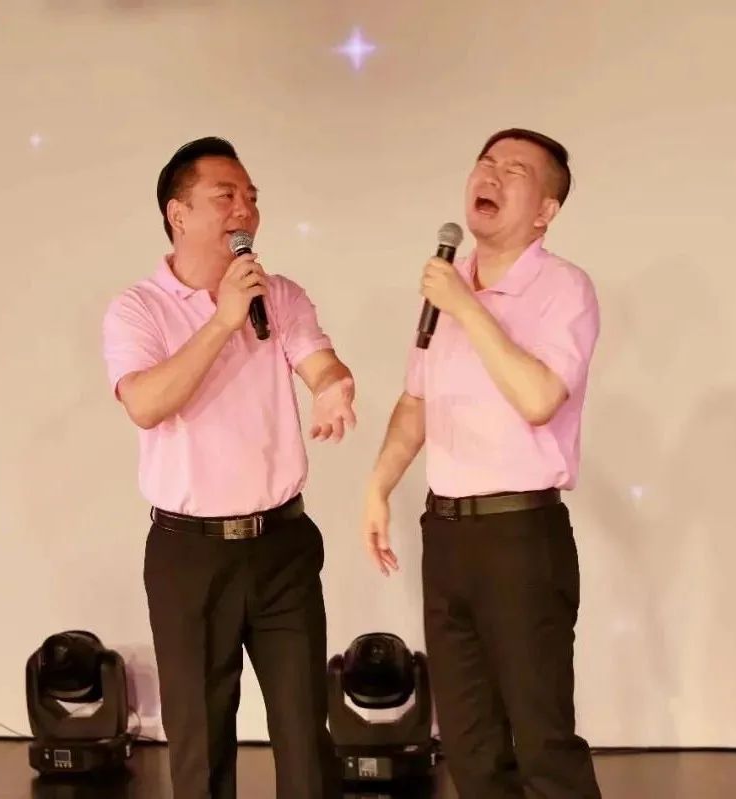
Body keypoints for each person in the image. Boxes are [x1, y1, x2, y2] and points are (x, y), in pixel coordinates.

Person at [102, 136, 354, 799]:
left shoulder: (279, 296)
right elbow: (145, 404)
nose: (245, 209)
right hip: (190, 554)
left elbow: (320, 362)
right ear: (178, 213)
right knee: (201, 743)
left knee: (306, 735)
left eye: (251, 197)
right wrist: (220, 322)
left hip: (282, 545)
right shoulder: (138, 308)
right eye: (226, 196)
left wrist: (333, 385)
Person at [362, 128, 602, 798]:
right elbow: (416, 401)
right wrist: (379, 485)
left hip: (519, 535)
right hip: (445, 534)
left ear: (545, 210)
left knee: (542, 741)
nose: (490, 176)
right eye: (485, 163)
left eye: (514, 170)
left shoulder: (563, 288)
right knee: (469, 745)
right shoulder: (448, 285)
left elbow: (538, 398)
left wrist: (466, 307)